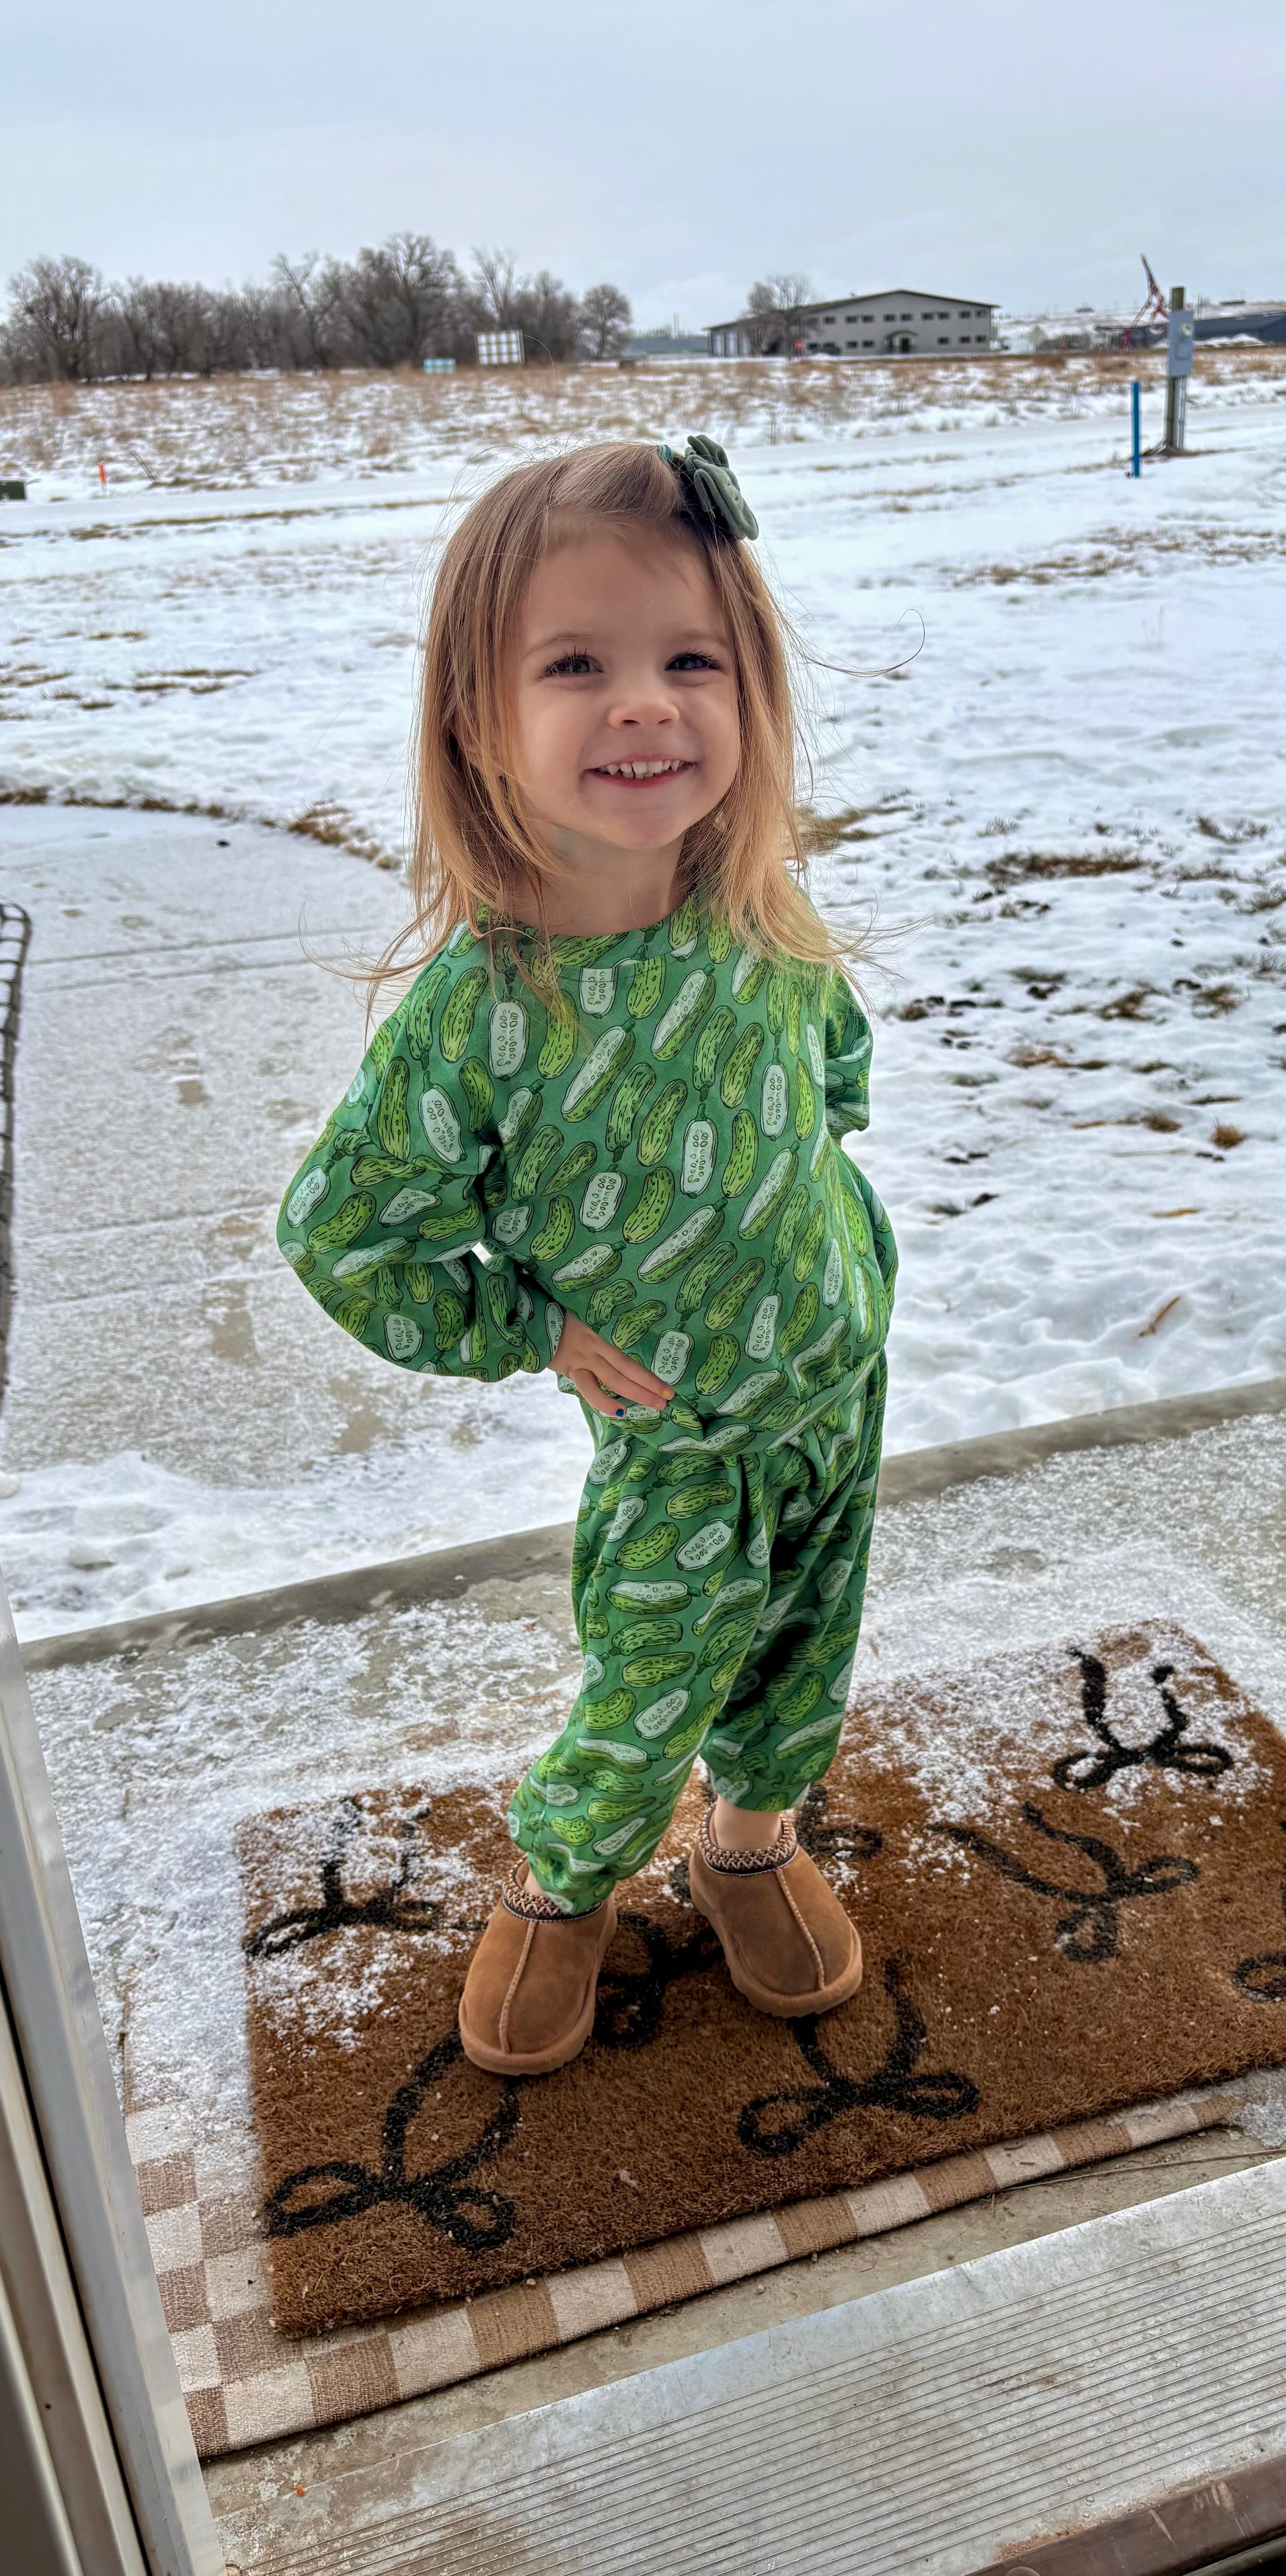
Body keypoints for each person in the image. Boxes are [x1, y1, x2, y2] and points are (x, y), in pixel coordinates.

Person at [277, 436, 896, 2077]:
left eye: (691, 659)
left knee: (805, 1655)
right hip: (677, 1438)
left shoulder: (759, 911)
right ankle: (566, 1878)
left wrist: (828, 1233)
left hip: (838, 1380)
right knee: (649, 1685)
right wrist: (530, 1326)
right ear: (477, 719)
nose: (645, 704)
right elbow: (345, 1232)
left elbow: (833, 1068)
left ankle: (749, 1843)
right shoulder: (483, 1012)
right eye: (575, 665)